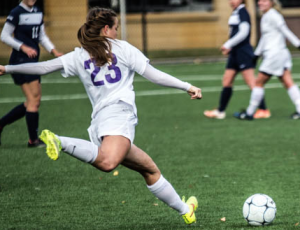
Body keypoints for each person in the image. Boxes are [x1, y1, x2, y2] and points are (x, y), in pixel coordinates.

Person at [0, 7, 202, 225]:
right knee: (107, 163)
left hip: (100, 123)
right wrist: (187, 86)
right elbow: (155, 75)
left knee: (150, 169)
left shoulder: (79, 55)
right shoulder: (123, 49)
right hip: (119, 117)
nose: (117, 32)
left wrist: (7, 68)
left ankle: (186, 210)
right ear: (106, 28)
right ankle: (61, 141)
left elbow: (43, 67)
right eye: (116, 28)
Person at [0, 0, 63, 147]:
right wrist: (23, 47)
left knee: (33, 101)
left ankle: (1, 124)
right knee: (34, 100)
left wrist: (53, 51)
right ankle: (33, 140)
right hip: (20, 61)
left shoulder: (37, 11)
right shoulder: (16, 12)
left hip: (33, 62)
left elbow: (41, 36)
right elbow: (4, 36)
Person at [204, 0, 270, 120]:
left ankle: (263, 109)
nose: (232, 1)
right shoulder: (236, 12)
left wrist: (228, 44)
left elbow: (244, 33)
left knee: (252, 82)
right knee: (227, 80)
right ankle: (221, 111)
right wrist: (231, 47)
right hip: (235, 53)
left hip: (243, 53)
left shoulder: (243, 12)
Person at [234, 0, 300, 120]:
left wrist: (298, 44)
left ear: (271, 2)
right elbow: (265, 37)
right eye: (259, 1)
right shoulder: (267, 15)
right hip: (281, 54)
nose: (260, 3)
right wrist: (257, 54)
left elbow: (285, 30)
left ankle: (249, 113)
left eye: (264, 1)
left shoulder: (273, 15)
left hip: (274, 55)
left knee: (258, 83)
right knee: (288, 82)